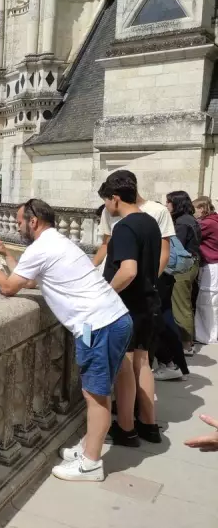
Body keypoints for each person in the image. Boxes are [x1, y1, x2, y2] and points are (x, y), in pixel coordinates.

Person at [0, 198, 131, 482]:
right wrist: (5, 253)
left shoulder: (42, 247)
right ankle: (88, 447)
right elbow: (32, 280)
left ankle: (91, 464)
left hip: (98, 325)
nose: (17, 225)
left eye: (20, 221)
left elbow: (9, 288)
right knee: (98, 391)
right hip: (111, 318)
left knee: (95, 396)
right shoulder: (57, 242)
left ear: (33, 221)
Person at [99, 173, 163, 447]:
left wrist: (105, 293)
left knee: (124, 366)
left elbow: (128, 271)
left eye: (106, 201)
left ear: (115, 198)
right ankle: (149, 424)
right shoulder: (150, 222)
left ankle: (126, 428)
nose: (106, 207)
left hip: (128, 306)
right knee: (144, 363)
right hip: (149, 303)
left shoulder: (125, 228)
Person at [166, 191, 201, 356]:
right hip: (192, 264)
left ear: (176, 203)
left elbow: (176, 248)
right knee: (183, 303)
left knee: (180, 305)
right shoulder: (189, 219)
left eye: (169, 202)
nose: (166, 205)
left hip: (184, 267)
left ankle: (187, 344)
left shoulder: (181, 223)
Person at [194, 196, 218, 345]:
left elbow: (193, 233)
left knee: (207, 302)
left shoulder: (208, 224)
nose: (193, 212)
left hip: (211, 265)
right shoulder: (214, 221)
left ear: (202, 209)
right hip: (213, 265)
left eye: (194, 209)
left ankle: (208, 336)